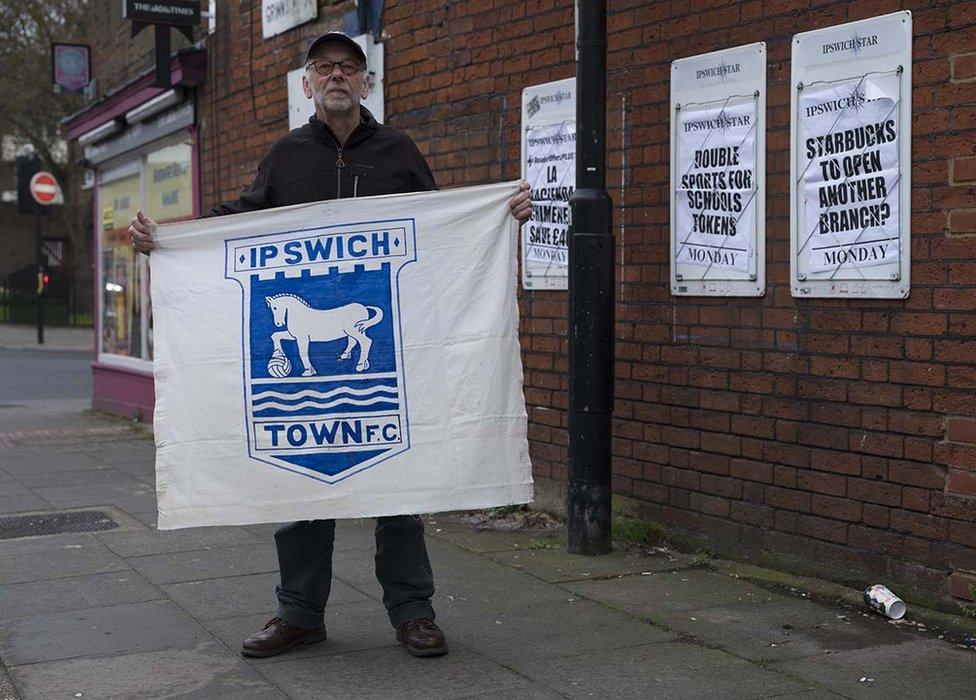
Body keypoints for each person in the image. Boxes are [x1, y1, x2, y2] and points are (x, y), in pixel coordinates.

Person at [130, 31, 531, 659]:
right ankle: (298, 614)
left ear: (367, 83)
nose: (337, 77)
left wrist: (496, 216)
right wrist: (173, 240)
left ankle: (412, 611)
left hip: (395, 354)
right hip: (300, 384)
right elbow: (246, 219)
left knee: (403, 486)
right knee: (300, 488)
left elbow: (440, 230)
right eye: (324, 68)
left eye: (348, 68)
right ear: (308, 85)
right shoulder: (287, 155)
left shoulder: (399, 151)